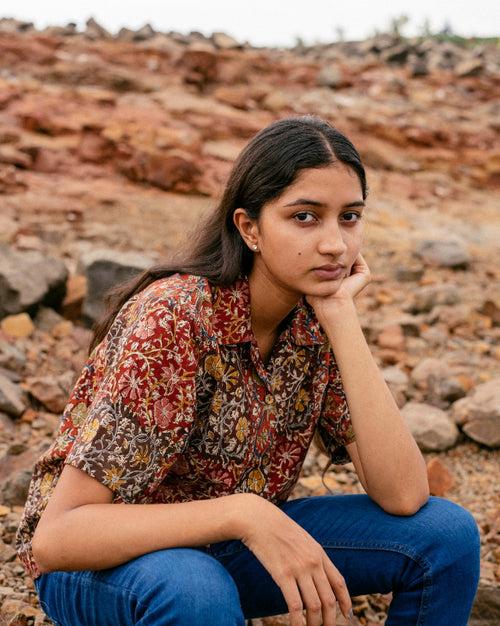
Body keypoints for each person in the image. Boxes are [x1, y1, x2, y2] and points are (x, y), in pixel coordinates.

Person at [16, 115, 480, 626]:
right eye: (305, 217)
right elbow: (58, 539)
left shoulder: (314, 318)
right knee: (195, 589)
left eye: (349, 217)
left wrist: (342, 319)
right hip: (107, 566)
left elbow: (405, 494)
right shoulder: (174, 318)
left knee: (446, 536)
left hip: (233, 548)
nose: (335, 244)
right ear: (250, 228)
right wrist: (244, 512)